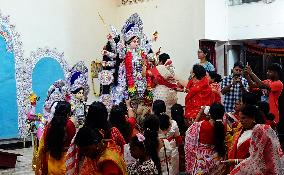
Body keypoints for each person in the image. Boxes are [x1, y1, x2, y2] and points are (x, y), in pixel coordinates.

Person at [184, 103, 226, 174]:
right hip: (217, 158)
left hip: (202, 159)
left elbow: (191, 129)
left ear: (209, 113)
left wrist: (200, 113)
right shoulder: (223, 126)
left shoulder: (202, 125)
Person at [36, 101, 76, 175]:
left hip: (51, 159)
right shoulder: (70, 124)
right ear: (68, 113)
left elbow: (43, 145)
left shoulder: (50, 124)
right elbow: (73, 144)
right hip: (66, 162)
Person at [228, 104, 258, 170]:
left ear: (252, 118)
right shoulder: (240, 131)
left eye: (243, 118)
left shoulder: (259, 134)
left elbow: (258, 160)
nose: (241, 121)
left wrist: (236, 161)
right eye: (240, 118)